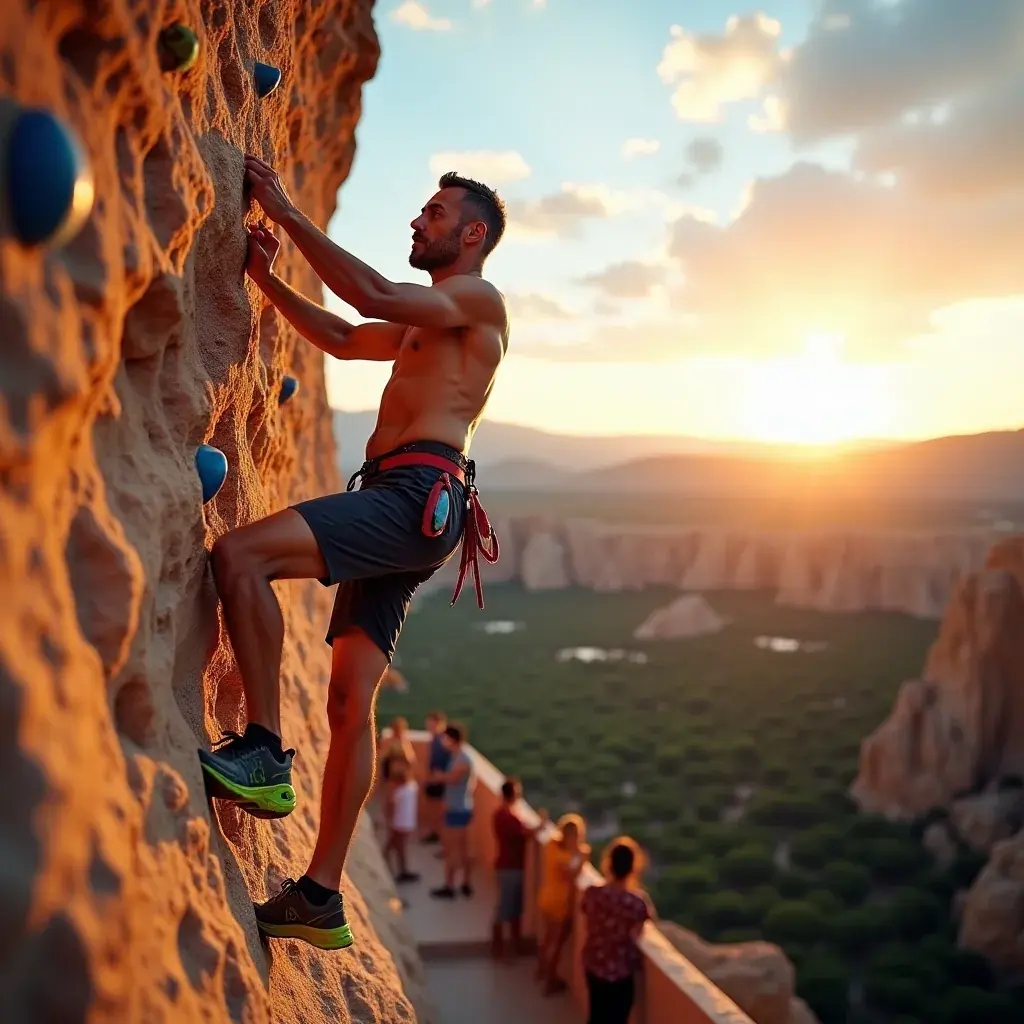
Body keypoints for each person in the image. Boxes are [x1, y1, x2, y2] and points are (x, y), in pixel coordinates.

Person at [196, 155, 508, 951]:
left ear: (472, 235)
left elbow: (369, 294)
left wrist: (288, 211)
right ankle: (320, 896)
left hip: (410, 500)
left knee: (239, 556)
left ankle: (262, 750)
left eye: (434, 214)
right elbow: (342, 334)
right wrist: (266, 280)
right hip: (406, 504)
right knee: (348, 704)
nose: (417, 221)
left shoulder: (476, 298)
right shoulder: (428, 321)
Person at [580, 837, 656, 1024]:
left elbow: (585, 912)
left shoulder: (592, 893)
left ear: (609, 864)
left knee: (596, 1016)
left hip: (594, 963)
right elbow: (646, 925)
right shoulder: (636, 904)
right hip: (620, 973)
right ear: (633, 868)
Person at [491, 778, 548, 961]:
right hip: (511, 868)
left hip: (509, 866)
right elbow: (526, 833)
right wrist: (541, 824)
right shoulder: (508, 817)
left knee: (513, 910)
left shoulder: (502, 814)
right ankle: (500, 950)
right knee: (506, 909)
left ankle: (512, 947)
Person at [536, 813, 590, 995]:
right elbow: (571, 874)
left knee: (548, 938)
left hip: (546, 897)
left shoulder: (552, 846)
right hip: (559, 903)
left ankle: (540, 970)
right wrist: (582, 858)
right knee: (556, 944)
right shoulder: (568, 856)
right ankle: (550, 981)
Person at [430, 724, 476, 899]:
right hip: (461, 807)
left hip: (457, 810)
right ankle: (466, 883)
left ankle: (450, 886)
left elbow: (454, 779)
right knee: (463, 849)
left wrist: (439, 776)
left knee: (452, 850)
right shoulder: (459, 756)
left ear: (452, 739)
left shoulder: (463, 759)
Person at [382, 757, 420, 884]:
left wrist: (388, 822)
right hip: (408, 823)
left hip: (399, 824)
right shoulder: (412, 787)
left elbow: (390, 808)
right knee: (400, 848)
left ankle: (388, 874)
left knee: (389, 849)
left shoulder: (398, 793)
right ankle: (402, 871)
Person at [421, 710, 449, 843]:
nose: (428, 725)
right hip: (434, 779)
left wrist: (433, 778)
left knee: (438, 810)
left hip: (438, 781)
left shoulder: (441, 740)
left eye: (431, 723)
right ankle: (434, 833)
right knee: (433, 808)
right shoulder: (435, 739)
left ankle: (439, 835)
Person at [379, 716, 416, 785]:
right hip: (389, 778)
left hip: (403, 779)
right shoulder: (387, 742)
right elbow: (381, 758)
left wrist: (403, 747)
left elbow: (411, 761)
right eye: (395, 729)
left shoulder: (405, 742)